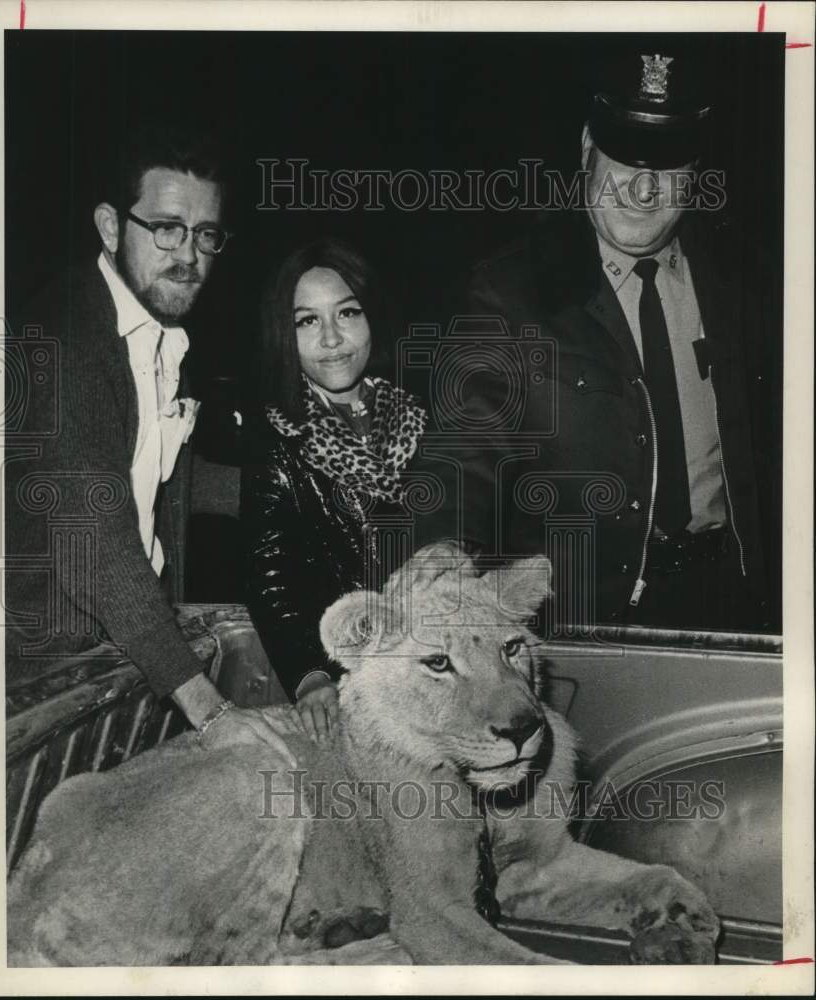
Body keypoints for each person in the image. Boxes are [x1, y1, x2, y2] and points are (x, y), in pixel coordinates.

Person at [414, 51, 776, 634]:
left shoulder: (752, 281)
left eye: (668, 164)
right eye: (626, 159)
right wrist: (443, 546)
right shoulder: (512, 290)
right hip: (585, 616)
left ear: (697, 172)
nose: (644, 188)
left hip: (736, 601)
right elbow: (465, 445)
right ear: (586, 148)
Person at [5, 124, 295, 761]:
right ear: (111, 228)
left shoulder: (164, 335)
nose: (187, 254)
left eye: (205, 235)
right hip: (38, 683)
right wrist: (209, 709)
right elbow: (97, 546)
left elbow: (166, 479)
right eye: (165, 227)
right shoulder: (62, 339)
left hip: (121, 654)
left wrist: (298, 480)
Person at [241, 238, 427, 741]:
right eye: (307, 321)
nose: (331, 339)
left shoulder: (422, 418)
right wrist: (310, 675)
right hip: (344, 670)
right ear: (285, 334)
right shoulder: (278, 438)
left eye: (347, 313)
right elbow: (271, 571)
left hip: (430, 661)